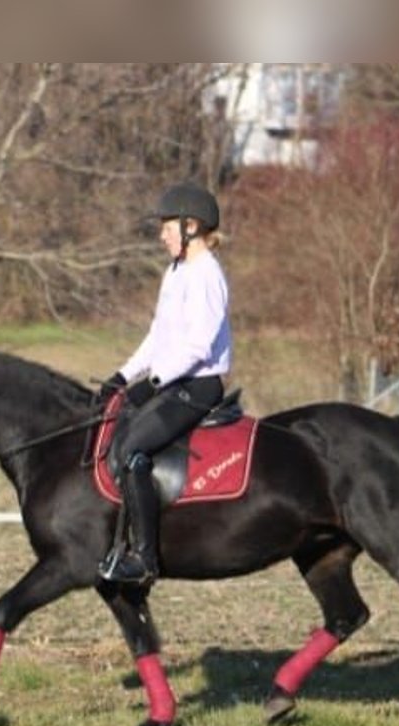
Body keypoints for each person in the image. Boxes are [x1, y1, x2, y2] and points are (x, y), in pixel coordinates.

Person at [95, 181, 232, 585]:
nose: (162, 235)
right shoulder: (176, 272)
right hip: (173, 383)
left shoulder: (206, 274)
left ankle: (145, 559)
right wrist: (123, 376)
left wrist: (151, 383)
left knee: (134, 448)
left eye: (168, 227)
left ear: (191, 226)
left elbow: (197, 346)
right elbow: (159, 336)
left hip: (199, 387)